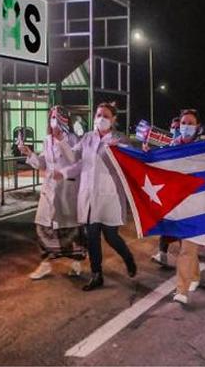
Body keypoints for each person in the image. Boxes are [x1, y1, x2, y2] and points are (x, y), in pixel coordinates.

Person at [59, 102, 137, 291]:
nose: (101, 119)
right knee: (92, 237)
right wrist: (61, 141)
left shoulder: (120, 140)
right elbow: (74, 158)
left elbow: (134, 162)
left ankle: (127, 257)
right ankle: (97, 275)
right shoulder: (87, 138)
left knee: (111, 237)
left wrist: (128, 150)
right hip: (88, 197)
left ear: (114, 120)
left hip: (109, 198)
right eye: (99, 115)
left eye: (106, 116)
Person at [19, 106, 85, 280]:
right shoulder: (47, 140)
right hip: (49, 190)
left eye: (57, 117)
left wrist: (62, 141)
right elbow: (43, 163)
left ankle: (77, 261)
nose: (54, 120)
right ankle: (45, 263)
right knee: (42, 226)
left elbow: (76, 162)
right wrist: (29, 153)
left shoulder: (72, 139)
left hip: (66, 190)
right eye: (52, 117)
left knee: (69, 228)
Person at [172, 109, 205, 304]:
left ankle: (181, 291)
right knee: (185, 245)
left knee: (187, 249)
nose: (185, 126)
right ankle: (194, 276)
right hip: (178, 205)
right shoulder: (171, 146)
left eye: (190, 123)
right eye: (183, 122)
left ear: (197, 127)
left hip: (198, 205)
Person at [150, 116, 183, 266]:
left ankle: (189, 254)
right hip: (169, 193)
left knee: (184, 226)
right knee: (167, 224)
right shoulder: (166, 147)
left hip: (185, 193)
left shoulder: (189, 147)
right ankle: (162, 254)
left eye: (178, 127)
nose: (175, 130)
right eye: (173, 127)